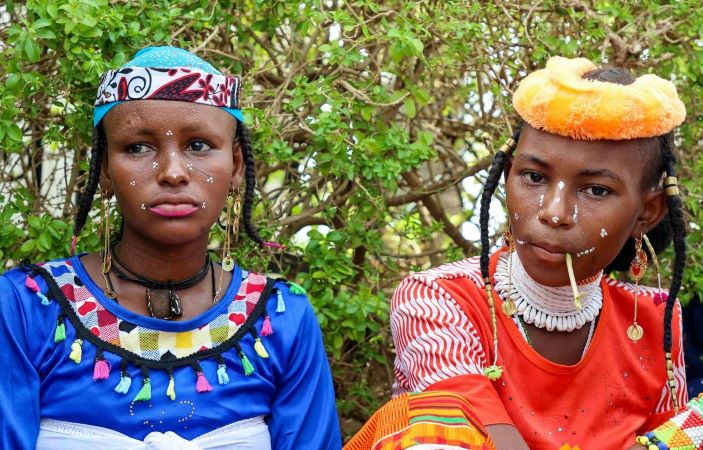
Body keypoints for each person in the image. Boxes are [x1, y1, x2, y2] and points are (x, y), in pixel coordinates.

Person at [0, 46, 342, 449]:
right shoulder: (26, 308)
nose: (174, 172)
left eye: (198, 145)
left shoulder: (282, 318)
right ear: (106, 171)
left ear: (235, 166)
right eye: (138, 148)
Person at [388, 56, 687, 449]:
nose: (553, 213)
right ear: (508, 174)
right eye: (533, 177)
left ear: (646, 212)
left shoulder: (656, 321)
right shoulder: (437, 299)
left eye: (595, 189)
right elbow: (476, 437)